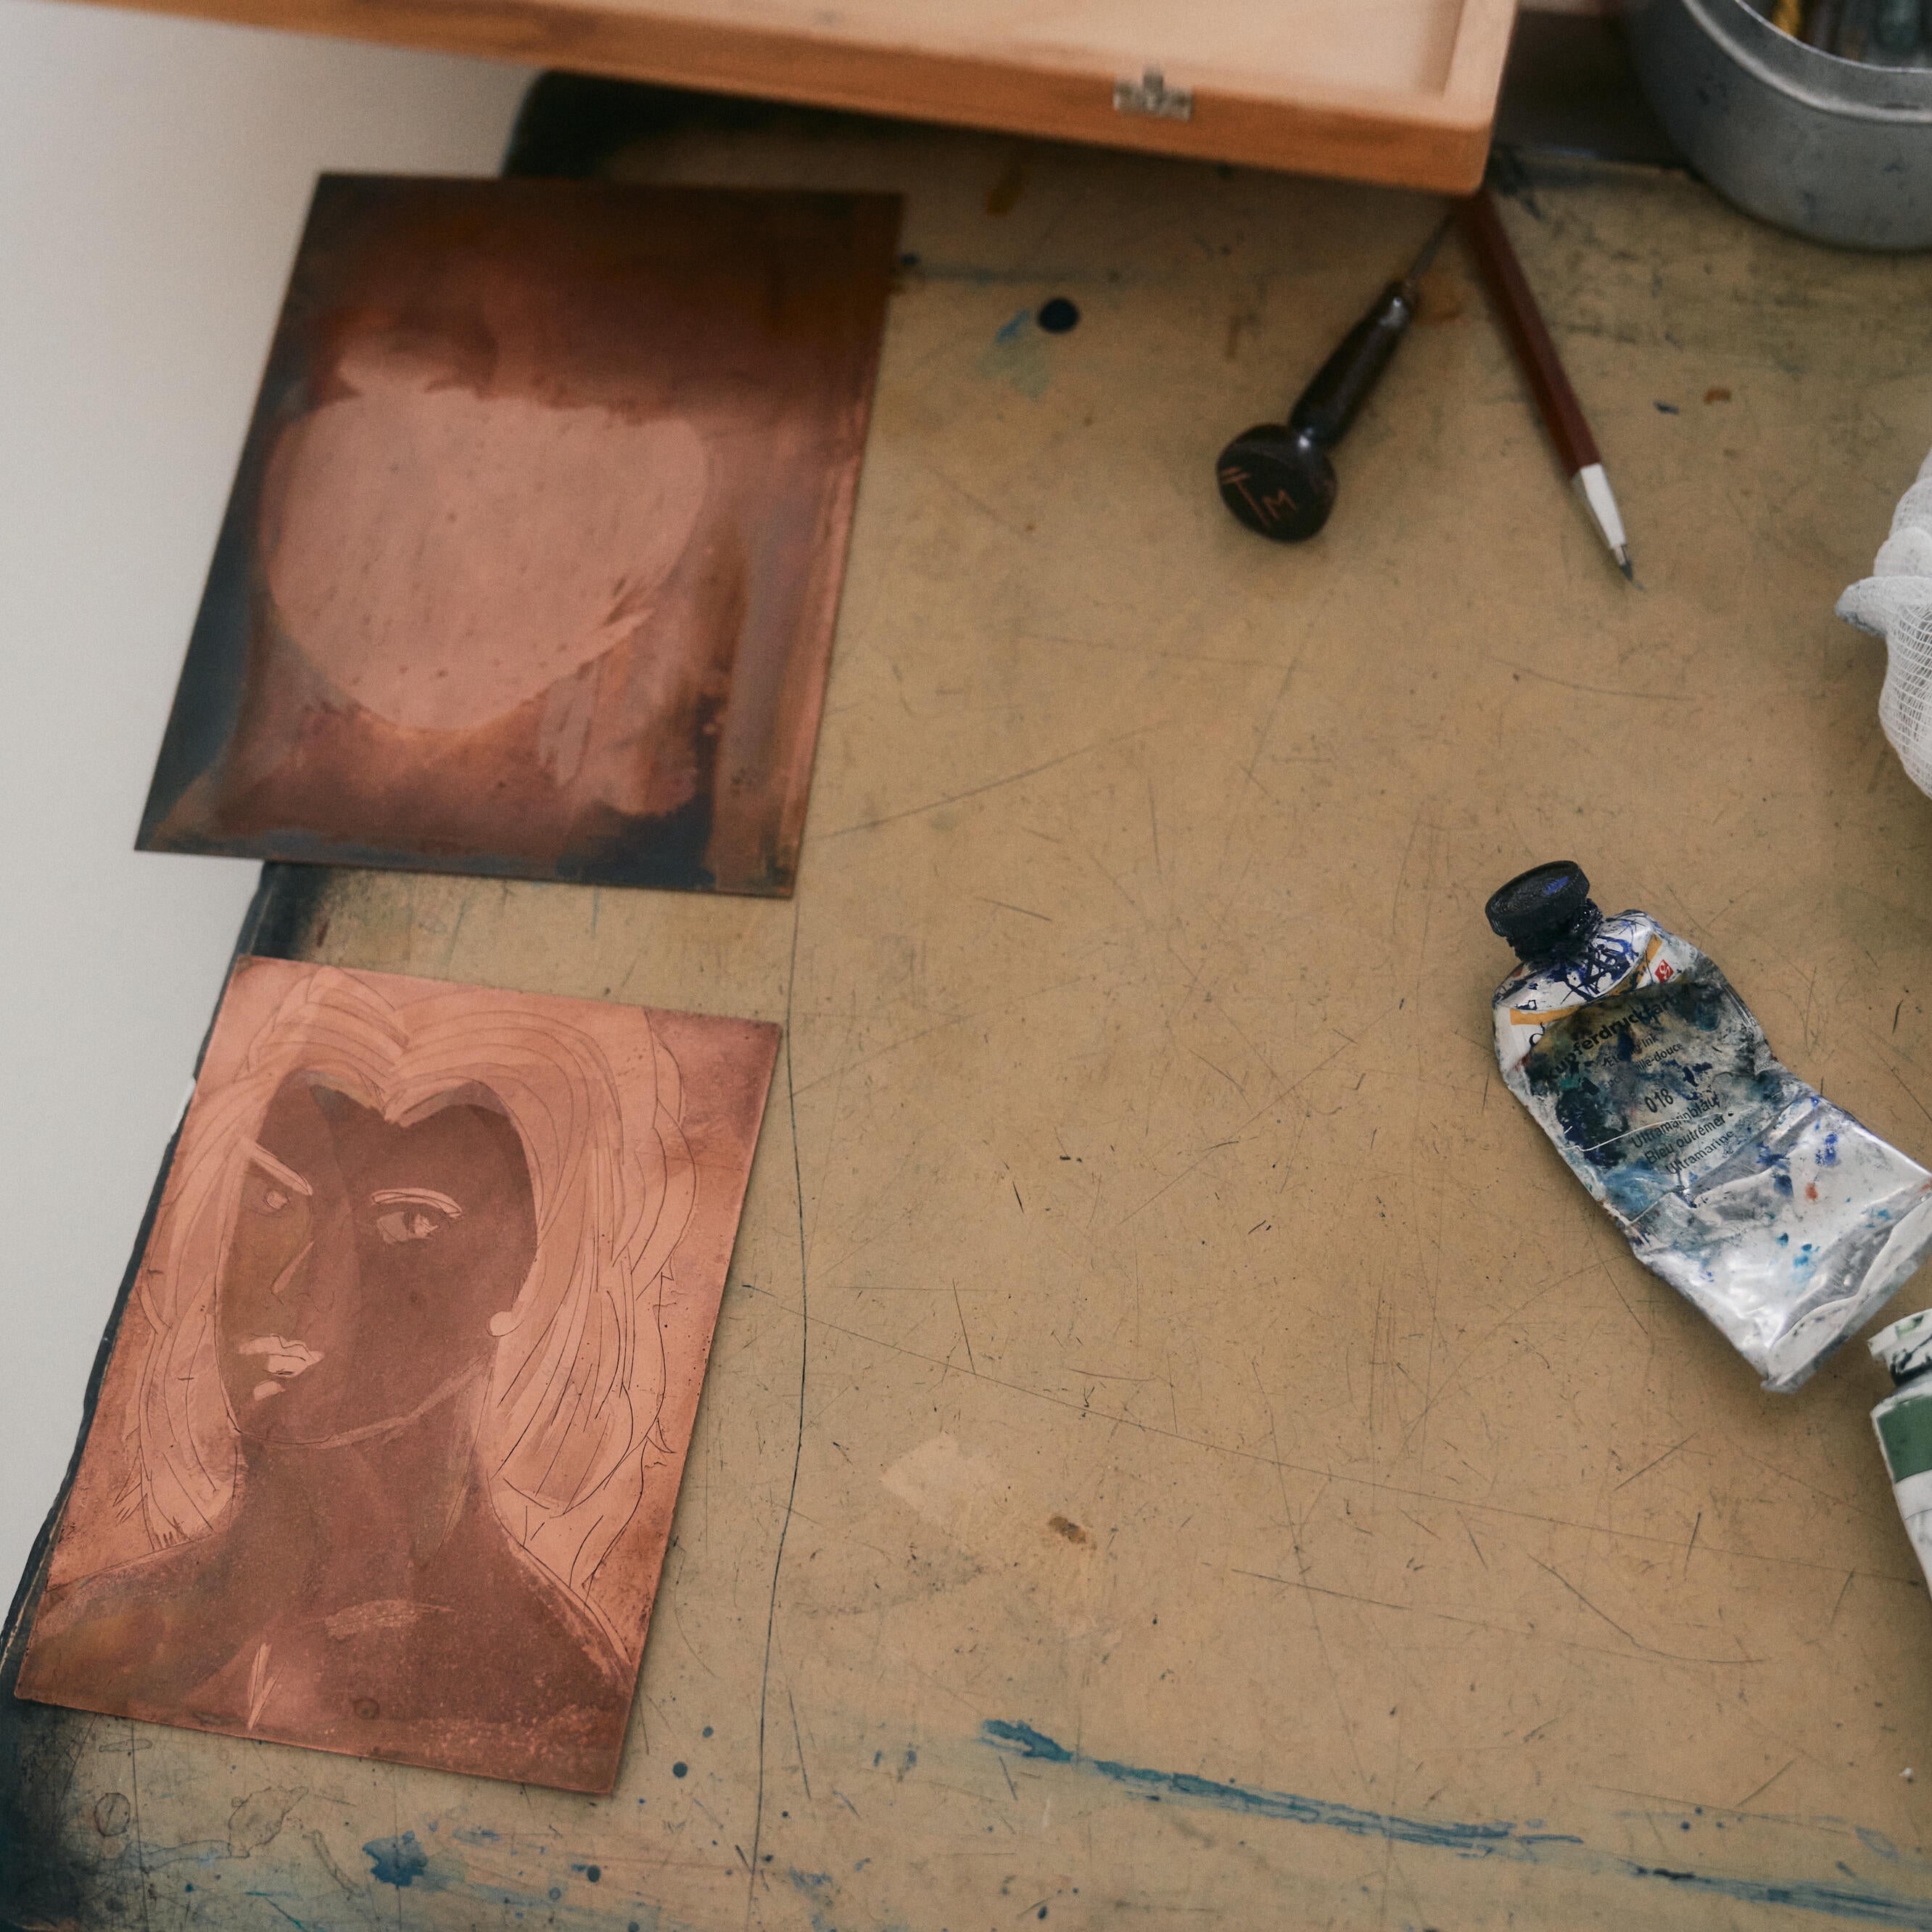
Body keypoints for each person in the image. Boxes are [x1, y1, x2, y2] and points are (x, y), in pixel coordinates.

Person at [20, 966, 694, 1786]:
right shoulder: (87, 1639)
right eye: (272, 1203)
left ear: (528, 1282)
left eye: (407, 1222)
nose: (303, 1294)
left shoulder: (556, 1702)